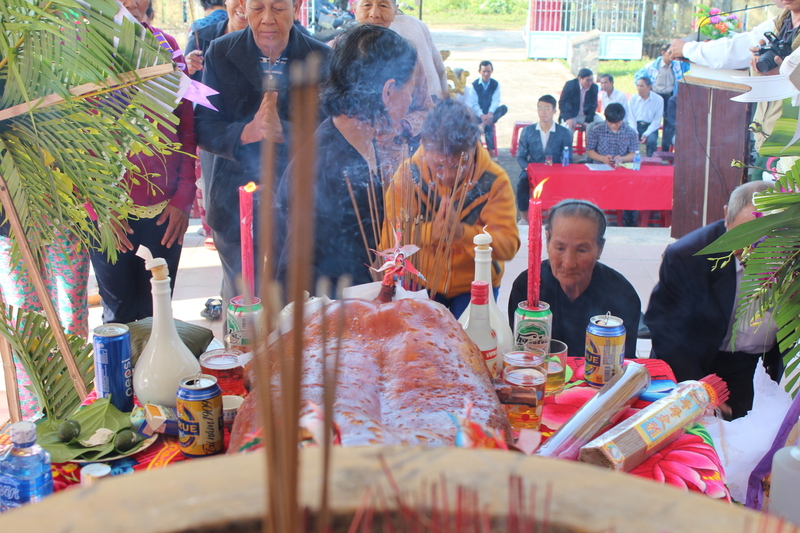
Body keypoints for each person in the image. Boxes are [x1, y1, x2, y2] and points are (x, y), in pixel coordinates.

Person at [194, 0, 332, 303]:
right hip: (234, 203)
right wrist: (246, 132)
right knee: (243, 306)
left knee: (290, 307)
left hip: (296, 205)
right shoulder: (221, 51)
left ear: (296, 7)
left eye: (278, 9)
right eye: (258, 8)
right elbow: (203, 125)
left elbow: (331, 134)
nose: (268, 19)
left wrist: (287, 133)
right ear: (243, 6)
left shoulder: (321, 57)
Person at [276, 24, 418, 290]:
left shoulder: (363, 139)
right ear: (388, 92)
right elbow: (293, 274)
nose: (411, 100)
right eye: (410, 90)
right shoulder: (322, 167)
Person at [90, 0, 197, 324]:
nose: (132, 3)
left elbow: (187, 130)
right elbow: (74, 143)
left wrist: (183, 199)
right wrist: (99, 211)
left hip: (165, 213)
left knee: (157, 315)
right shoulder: (84, 56)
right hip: (108, 217)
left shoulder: (170, 48)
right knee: (118, 315)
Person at [644, 181, 779, 420]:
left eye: (763, 241)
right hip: (697, 362)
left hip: (756, 366)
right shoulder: (688, 257)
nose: (751, 250)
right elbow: (667, 333)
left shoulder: (791, 258)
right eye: (743, 237)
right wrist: (698, 393)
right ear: (727, 216)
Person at [382, 99, 520, 317]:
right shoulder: (408, 176)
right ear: (424, 147)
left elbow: (508, 246)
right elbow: (389, 242)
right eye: (438, 166)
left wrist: (462, 234)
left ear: (473, 148)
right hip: (421, 283)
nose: (447, 176)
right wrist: (429, 233)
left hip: (475, 284)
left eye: (457, 166)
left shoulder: (494, 181)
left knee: (473, 346)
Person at [507, 199, 641, 358]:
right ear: (547, 240)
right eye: (560, 248)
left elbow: (624, 365)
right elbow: (519, 356)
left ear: (600, 248)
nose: (569, 263)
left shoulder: (622, 294)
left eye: (582, 250)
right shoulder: (527, 287)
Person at [348, 0, 433, 179]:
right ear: (354, 9)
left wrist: (401, 127)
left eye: (384, 5)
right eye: (366, 5)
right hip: (348, 160)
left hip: (393, 164)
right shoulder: (336, 51)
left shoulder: (408, 54)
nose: (374, 13)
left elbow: (425, 107)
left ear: (395, 12)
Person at [515, 95, 572, 215]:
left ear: (554, 111)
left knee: (568, 184)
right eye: (540, 108)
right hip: (533, 170)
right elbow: (521, 156)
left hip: (555, 170)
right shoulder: (528, 131)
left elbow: (568, 158)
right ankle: (524, 217)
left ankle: (559, 214)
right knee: (522, 183)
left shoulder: (563, 132)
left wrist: (562, 169)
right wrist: (528, 168)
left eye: (547, 108)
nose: (543, 112)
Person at [390, 12, 449, 101]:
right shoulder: (417, 23)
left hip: (405, 100)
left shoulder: (378, 27)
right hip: (433, 94)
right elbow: (440, 68)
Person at [464, 60, 508, 154]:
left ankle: (483, 125)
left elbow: (496, 100)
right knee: (488, 126)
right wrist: (481, 115)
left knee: (503, 108)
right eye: (484, 71)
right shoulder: (474, 85)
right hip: (478, 115)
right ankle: (490, 153)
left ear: (492, 71)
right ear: (479, 71)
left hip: (490, 114)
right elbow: (474, 104)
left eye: (488, 71)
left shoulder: (495, 84)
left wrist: (490, 113)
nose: (486, 74)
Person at [634, 44, 690, 118]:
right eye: (669, 53)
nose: (672, 56)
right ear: (663, 53)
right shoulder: (652, 66)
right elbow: (638, 77)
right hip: (656, 95)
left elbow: (689, 63)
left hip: (670, 96)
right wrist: (646, 89)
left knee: (669, 119)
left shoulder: (677, 66)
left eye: (674, 54)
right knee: (653, 117)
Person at [628, 76, 663, 157]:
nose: (639, 88)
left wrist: (646, 134)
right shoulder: (633, 98)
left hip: (650, 127)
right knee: (628, 139)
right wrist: (635, 132)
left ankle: (651, 162)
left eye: (642, 86)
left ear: (649, 87)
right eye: (638, 86)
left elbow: (657, 120)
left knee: (652, 141)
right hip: (636, 126)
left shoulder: (658, 99)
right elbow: (631, 117)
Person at [558, 68, 599, 132]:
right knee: (568, 128)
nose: (590, 83)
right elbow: (562, 103)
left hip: (586, 115)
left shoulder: (594, 87)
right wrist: (568, 118)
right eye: (587, 80)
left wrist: (587, 121)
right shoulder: (570, 85)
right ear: (580, 78)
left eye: (591, 80)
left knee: (601, 124)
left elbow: (593, 106)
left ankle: (590, 142)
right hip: (571, 115)